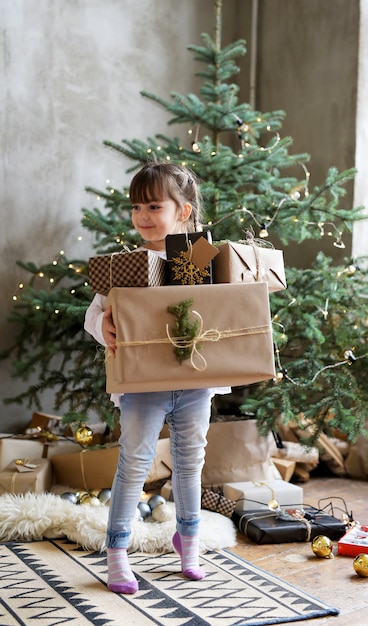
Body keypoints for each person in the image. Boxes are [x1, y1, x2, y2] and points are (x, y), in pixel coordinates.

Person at [84, 162, 228, 595]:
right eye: (135, 207)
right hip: (142, 383)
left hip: (194, 380)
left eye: (153, 205)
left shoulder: (199, 256)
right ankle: (117, 552)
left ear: (183, 212)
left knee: (189, 462)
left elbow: (226, 306)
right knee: (134, 463)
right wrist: (102, 328)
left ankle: (189, 542)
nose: (142, 215)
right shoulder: (126, 265)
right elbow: (95, 313)